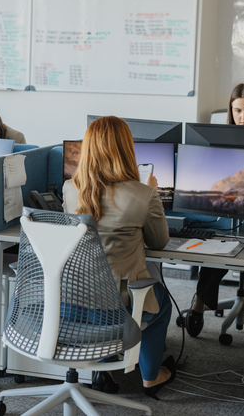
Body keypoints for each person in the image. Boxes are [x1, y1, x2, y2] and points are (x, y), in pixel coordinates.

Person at [62, 115, 175, 399]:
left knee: (109, 297)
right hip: (120, 305)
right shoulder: (143, 194)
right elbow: (159, 242)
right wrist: (151, 191)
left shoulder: (70, 189)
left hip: (75, 301)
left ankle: (106, 371)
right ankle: (150, 377)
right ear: (127, 150)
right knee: (159, 301)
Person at [184, 82, 244, 340]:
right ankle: (199, 304)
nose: (243, 117)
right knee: (217, 244)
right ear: (230, 111)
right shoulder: (219, 140)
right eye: (237, 111)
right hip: (227, 212)